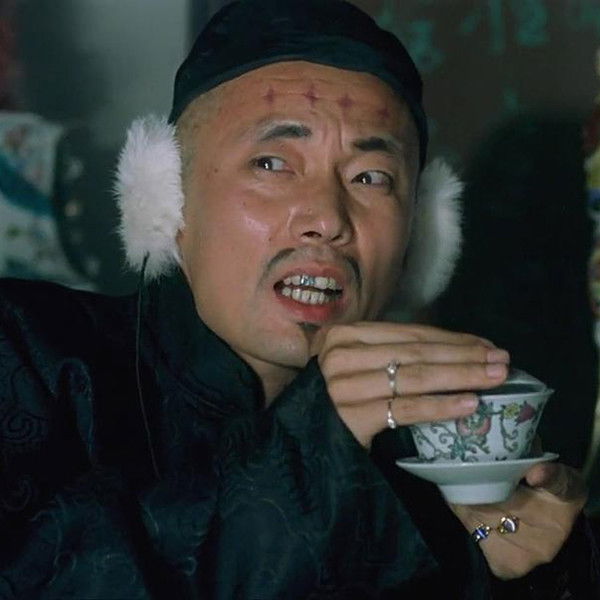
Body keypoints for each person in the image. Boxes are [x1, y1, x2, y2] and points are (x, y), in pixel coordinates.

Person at [0, 1, 597, 598]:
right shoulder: (28, 356)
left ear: (421, 236)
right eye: (272, 163)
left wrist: (518, 553)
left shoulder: (441, 451)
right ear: (164, 202)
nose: (327, 219)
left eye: (370, 178)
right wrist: (311, 455)